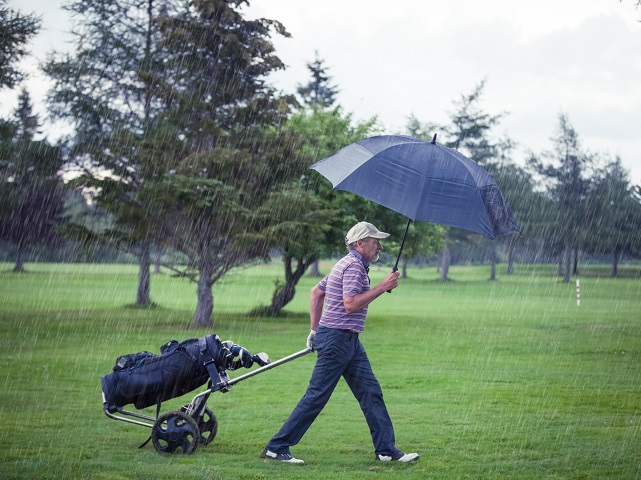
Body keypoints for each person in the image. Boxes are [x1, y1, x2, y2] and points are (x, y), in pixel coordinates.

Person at [260, 221, 419, 464]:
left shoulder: (344, 263)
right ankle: (276, 447)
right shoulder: (354, 266)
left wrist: (315, 331)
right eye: (374, 241)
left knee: (370, 392)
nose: (379, 246)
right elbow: (351, 304)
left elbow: (316, 293)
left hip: (346, 339)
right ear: (359, 243)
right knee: (316, 396)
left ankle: (386, 451)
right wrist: (382, 286)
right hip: (338, 339)